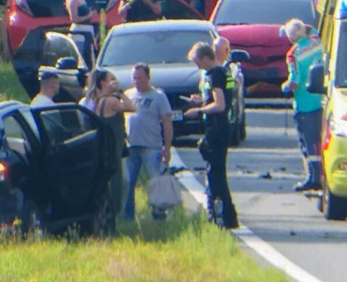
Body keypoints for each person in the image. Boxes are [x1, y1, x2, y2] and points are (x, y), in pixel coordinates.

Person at [184, 42, 239, 229]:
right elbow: (219, 98)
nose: (197, 66)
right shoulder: (223, 72)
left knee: (215, 173)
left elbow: (220, 105)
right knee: (216, 171)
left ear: (206, 58)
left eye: (198, 62)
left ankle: (220, 214)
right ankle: (225, 214)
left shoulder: (215, 75)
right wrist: (202, 100)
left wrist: (198, 110)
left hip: (217, 128)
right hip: (221, 127)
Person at [84, 69, 136, 226]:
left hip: (107, 148)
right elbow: (131, 107)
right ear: (103, 83)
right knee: (120, 180)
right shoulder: (111, 101)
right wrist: (120, 92)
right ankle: (116, 213)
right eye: (111, 79)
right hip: (114, 148)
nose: (115, 81)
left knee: (122, 179)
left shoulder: (96, 101)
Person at [123, 63, 174, 220]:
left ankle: (159, 213)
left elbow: (167, 122)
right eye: (134, 78)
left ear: (148, 77)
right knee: (128, 182)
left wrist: (167, 147)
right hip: (131, 146)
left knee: (156, 181)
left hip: (151, 146)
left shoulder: (158, 96)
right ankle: (128, 215)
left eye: (140, 77)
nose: (137, 81)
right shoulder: (128, 94)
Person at [282, 20, 324, 192]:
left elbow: (295, 81)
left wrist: (284, 86)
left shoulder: (293, 54)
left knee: (308, 143)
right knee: (321, 141)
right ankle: (322, 176)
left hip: (305, 104)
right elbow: (312, 29)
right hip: (322, 100)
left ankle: (312, 178)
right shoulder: (317, 42)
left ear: (291, 37)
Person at [65, 0, 100, 67]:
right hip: (79, 33)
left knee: (91, 59)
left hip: (88, 31)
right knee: (83, 61)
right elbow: (74, 19)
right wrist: (89, 15)